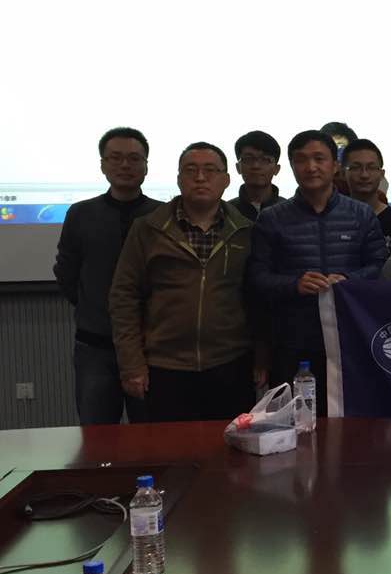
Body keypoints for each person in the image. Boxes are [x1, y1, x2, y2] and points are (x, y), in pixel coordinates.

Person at [108, 142, 260, 421]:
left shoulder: (245, 230)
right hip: (164, 366)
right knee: (168, 446)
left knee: (229, 445)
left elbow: (257, 299)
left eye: (210, 170)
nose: (200, 178)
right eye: (191, 170)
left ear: (226, 180)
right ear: (179, 179)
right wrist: (131, 365)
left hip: (230, 363)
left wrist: (262, 359)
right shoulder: (148, 228)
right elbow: (124, 297)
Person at [247, 130, 387, 416]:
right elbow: (257, 277)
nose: (311, 167)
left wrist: (349, 282)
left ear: (335, 165)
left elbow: (379, 267)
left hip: (349, 338)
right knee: (295, 422)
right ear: (291, 167)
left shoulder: (361, 215)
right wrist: (294, 284)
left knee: (351, 421)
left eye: (319, 158)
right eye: (301, 160)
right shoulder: (272, 218)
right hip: (292, 341)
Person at [54, 127, 164, 425]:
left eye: (134, 159)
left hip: (153, 347)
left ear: (146, 166)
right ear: (103, 165)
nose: (125, 165)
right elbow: (66, 273)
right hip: (95, 346)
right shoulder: (80, 214)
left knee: (154, 433)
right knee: (97, 434)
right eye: (116, 158)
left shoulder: (163, 215)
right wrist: (92, 305)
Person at [343, 138, 391, 256]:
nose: (364, 175)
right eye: (356, 167)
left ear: (381, 174)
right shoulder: (333, 219)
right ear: (343, 173)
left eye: (371, 167)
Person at [231, 130, 283, 222]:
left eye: (265, 160)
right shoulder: (226, 212)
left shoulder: (290, 211)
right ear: (238, 167)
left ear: (276, 169)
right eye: (248, 159)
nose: (256, 166)